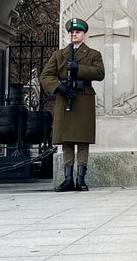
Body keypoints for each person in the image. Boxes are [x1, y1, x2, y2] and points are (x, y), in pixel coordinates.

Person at [39, 17, 105, 192]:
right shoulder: (59, 55)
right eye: (72, 32)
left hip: (83, 98)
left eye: (78, 32)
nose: (74, 34)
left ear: (84, 35)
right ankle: (68, 179)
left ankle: (80, 179)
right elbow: (45, 76)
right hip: (65, 98)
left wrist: (79, 69)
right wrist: (58, 87)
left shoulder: (93, 54)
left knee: (83, 140)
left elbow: (100, 73)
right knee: (66, 140)